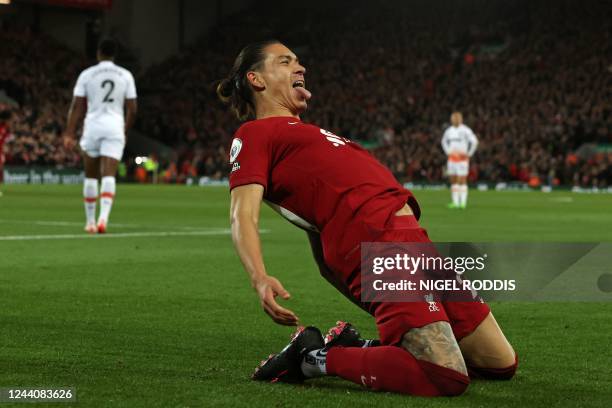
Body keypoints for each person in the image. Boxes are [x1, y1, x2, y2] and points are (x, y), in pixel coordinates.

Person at [217, 40, 516, 397]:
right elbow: (242, 214)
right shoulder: (253, 134)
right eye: (285, 62)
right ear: (256, 79)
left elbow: (320, 238)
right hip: (381, 247)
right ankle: (312, 357)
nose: (301, 68)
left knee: (500, 363)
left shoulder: (312, 133)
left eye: (298, 61)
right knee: (444, 376)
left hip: (417, 243)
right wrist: (259, 277)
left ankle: (358, 346)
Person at [63, 38, 137, 233]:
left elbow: (77, 106)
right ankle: (103, 219)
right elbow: (133, 109)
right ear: (114, 55)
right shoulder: (126, 75)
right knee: (109, 174)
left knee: (91, 175)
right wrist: (124, 130)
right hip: (114, 126)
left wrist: (69, 133)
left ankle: (90, 222)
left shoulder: (87, 75)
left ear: (98, 53)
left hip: (93, 126)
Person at [441, 112, 478, 209]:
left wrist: (469, 153)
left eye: (457, 118)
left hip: (462, 160)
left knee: (462, 180)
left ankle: (463, 203)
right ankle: (455, 202)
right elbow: (443, 141)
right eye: (454, 118)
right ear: (451, 119)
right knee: (453, 181)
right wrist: (448, 151)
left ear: (461, 119)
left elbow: (474, 141)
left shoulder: (466, 130)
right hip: (452, 159)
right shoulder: (449, 131)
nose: (455, 120)